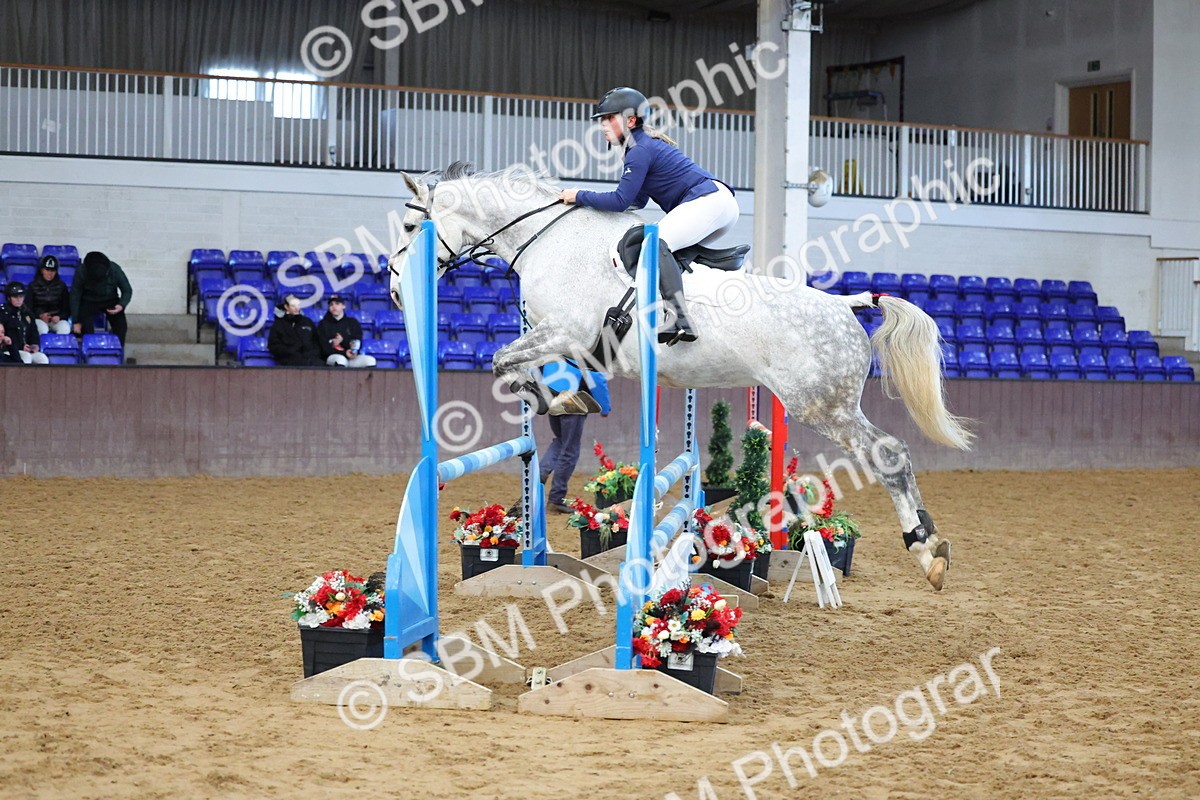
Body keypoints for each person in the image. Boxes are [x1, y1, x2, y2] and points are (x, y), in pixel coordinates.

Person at [558, 87, 740, 346]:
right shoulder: (641, 146)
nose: (602, 125)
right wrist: (591, 205)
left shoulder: (639, 150)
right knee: (667, 250)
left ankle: (679, 318)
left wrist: (579, 195)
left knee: (654, 244)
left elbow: (620, 201)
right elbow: (636, 200)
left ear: (630, 121)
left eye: (609, 118)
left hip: (709, 201)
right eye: (602, 119)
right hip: (718, 203)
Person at [539, 362, 611, 513]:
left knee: (560, 440)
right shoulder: (584, 347)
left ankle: (541, 473)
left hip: (551, 395)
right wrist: (604, 406)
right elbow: (596, 377)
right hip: (573, 399)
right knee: (570, 450)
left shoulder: (555, 345)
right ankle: (556, 499)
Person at [71, 251, 132, 346]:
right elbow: (75, 296)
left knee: (121, 325)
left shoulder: (114, 269)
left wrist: (121, 305)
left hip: (110, 300)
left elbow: (127, 290)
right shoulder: (81, 271)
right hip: (89, 300)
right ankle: (91, 352)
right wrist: (76, 321)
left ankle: (118, 351)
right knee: (86, 326)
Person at [316, 293, 376, 368]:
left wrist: (344, 341)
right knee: (340, 360)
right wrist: (344, 353)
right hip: (332, 356)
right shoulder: (323, 324)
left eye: (337, 304)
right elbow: (324, 348)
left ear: (343, 306)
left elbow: (357, 341)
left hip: (352, 356)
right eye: (331, 304)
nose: (334, 306)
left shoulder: (352, 322)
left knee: (370, 360)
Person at [0, 282, 49, 364]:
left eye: (21, 296)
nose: (19, 299)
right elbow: (4, 337)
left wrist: (34, 345)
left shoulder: (27, 313)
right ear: (9, 298)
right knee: (26, 356)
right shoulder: (3, 313)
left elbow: (34, 331)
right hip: (10, 350)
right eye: (15, 297)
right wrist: (20, 346)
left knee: (42, 358)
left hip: (27, 349)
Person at [267, 294, 322, 366]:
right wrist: (290, 352)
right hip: (289, 362)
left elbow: (316, 341)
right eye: (293, 306)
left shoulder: (308, 322)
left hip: (311, 360)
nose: (296, 308)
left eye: (298, 305)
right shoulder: (278, 325)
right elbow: (274, 345)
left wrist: (312, 354)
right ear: (286, 307)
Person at [28, 254, 73, 335]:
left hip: (56, 319)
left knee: (65, 328)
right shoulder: (32, 286)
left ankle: (58, 347)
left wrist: (59, 317)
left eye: (52, 271)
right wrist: (40, 315)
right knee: (42, 329)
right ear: (42, 270)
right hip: (39, 319)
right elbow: (28, 308)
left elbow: (66, 308)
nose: (50, 273)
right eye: (47, 270)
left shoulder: (62, 286)